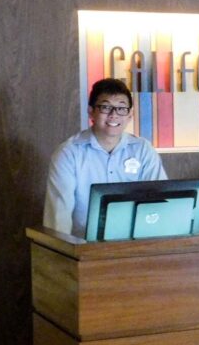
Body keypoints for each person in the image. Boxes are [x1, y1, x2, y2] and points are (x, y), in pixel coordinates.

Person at [43, 77, 167, 237]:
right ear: (91, 112)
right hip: (84, 247)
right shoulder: (69, 153)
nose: (114, 115)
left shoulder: (143, 150)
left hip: (135, 243)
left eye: (121, 108)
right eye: (106, 107)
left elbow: (160, 200)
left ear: (130, 115)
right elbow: (59, 216)